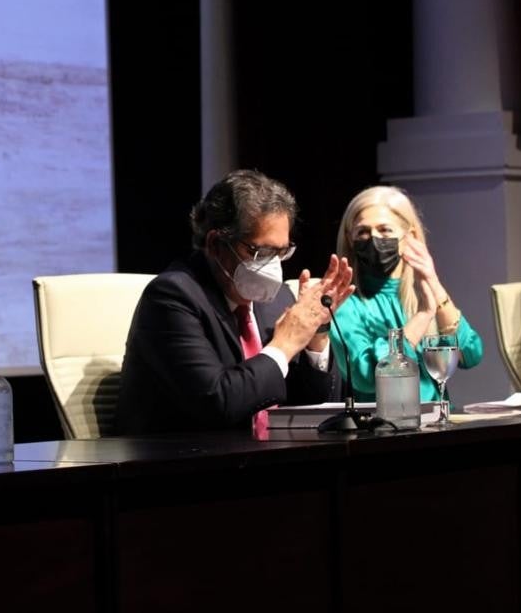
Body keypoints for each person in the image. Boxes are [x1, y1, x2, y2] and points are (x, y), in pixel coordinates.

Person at [116, 169, 354, 435]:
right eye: (260, 251)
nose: (272, 264)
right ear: (217, 244)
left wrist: (315, 334)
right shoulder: (172, 299)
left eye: (281, 252)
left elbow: (313, 409)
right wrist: (283, 345)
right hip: (186, 466)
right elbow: (217, 402)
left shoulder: (276, 300)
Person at [329, 186, 484, 403]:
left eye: (385, 230)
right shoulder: (346, 302)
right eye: (362, 232)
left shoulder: (421, 293)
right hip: (379, 428)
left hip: (436, 423)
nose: (373, 239)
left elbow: (470, 354)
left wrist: (433, 283)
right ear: (350, 238)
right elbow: (367, 375)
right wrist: (422, 316)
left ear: (409, 236)